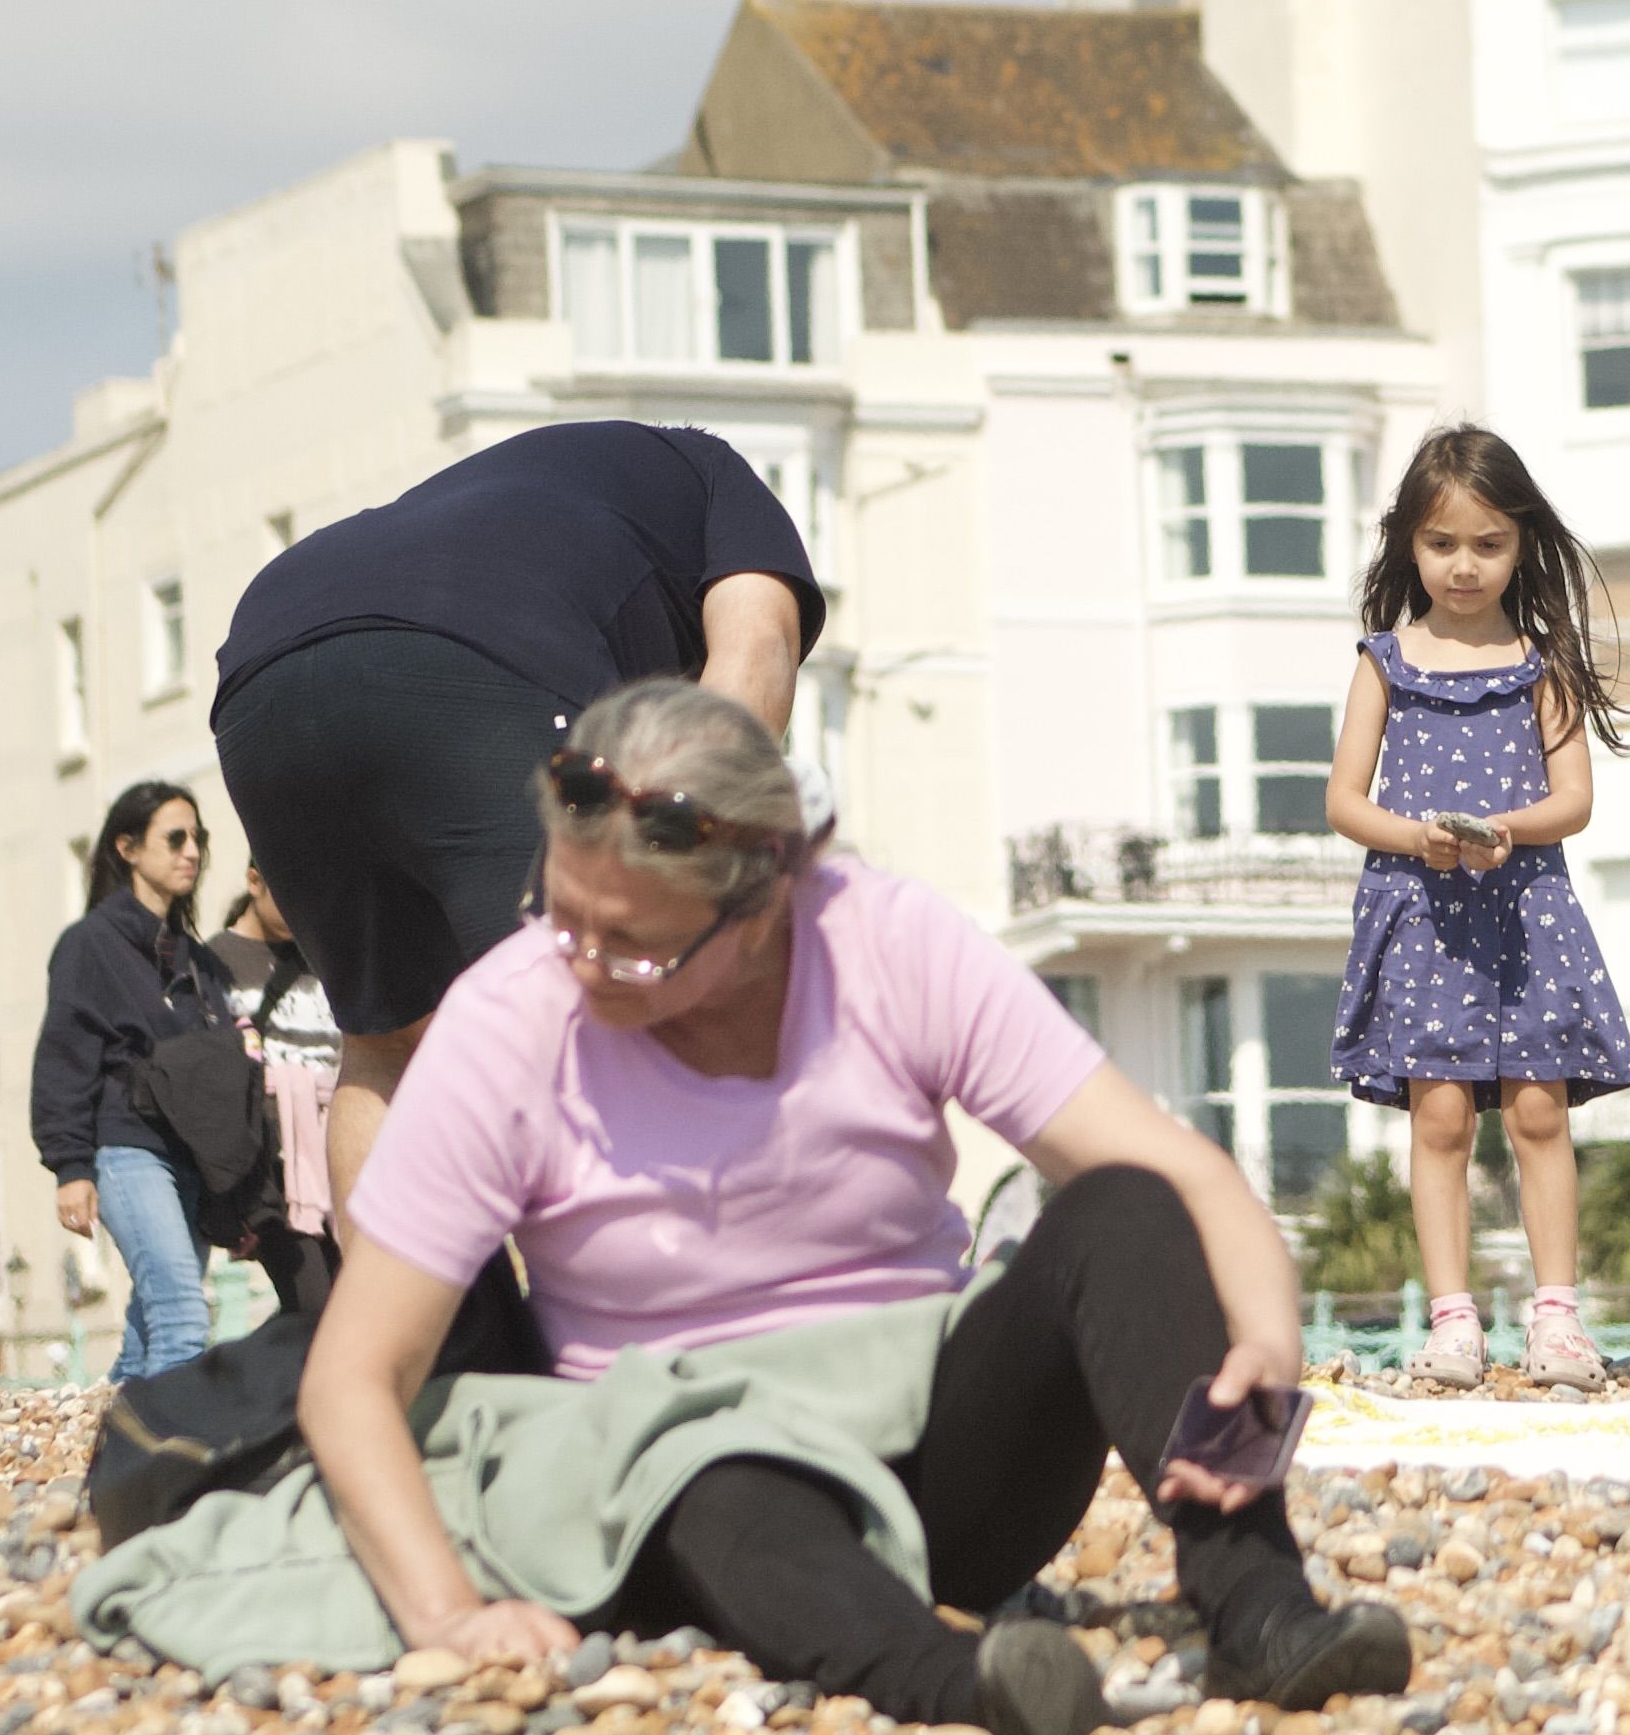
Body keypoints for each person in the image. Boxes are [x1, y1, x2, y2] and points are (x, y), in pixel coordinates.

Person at [291, 681, 1409, 1735]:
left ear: (762, 908)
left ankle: (1263, 1615)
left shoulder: (885, 942)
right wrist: (447, 1615)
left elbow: (1195, 1181)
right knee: (709, 1470)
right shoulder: (509, 1021)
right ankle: (965, 1691)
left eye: (630, 945)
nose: (579, 961)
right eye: (561, 912)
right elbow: (354, 1377)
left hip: (934, 1448)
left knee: (1123, 1207)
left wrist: (1262, 1354)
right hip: (685, 1468)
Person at [211, 421, 825, 1223]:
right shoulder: (724, 484)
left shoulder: (554, 494)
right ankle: (601, 1331)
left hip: (267, 669)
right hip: (472, 651)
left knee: (382, 1039)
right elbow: (751, 673)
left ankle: (393, 1343)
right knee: (582, 1002)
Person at [1324, 426, 1630, 1392]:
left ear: (1520, 545)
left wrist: (1502, 829)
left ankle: (1557, 1320)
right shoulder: (1383, 661)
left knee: (1541, 1113)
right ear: (1408, 546)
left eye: (1488, 544)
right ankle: (1453, 1321)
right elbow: (1344, 801)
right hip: (1420, 915)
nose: (1464, 566)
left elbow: (1575, 800)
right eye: (1442, 544)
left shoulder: (1543, 664)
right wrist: (1417, 838)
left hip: (1526, 911)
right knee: (1441, 1120)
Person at [34, 782, 239, 1381]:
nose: (191, 852)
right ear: (128, 848)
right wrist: (71, 1167)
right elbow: (64, 1057)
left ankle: (106, 1448)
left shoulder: (199, 963)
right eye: (175, 839)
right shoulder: (89, 945)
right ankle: (180, 1463)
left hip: (195, 1161)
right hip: (127, 1150)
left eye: (198, 838)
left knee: (150, 1329)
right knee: (181, 1316)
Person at [208, 876, 345, 1316]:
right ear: (254, 881)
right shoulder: (215, 961)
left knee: (349, 1306)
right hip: (273, 1174)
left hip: (341, 1162)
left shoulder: (326, 956)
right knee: (315, 1306)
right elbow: (212, 1089)